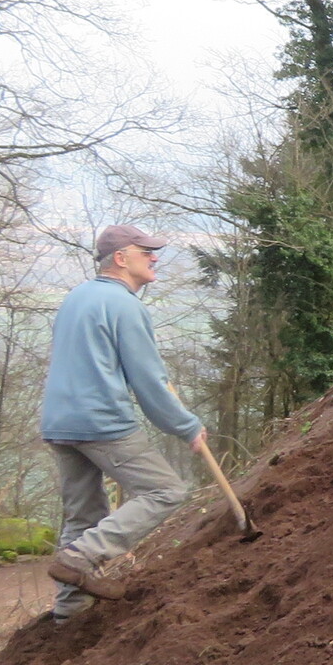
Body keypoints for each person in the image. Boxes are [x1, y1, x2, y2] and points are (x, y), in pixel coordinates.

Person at [37, 224, 206, 619]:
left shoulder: (77, 297)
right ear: (120, 258)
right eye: (145, 251)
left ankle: (69, 615)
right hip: (100, 421)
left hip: (59, 422)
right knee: (166, 490)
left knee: (83, 516)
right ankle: (82, 557)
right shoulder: (125, 305)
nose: (154, 257)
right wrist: (186, 426)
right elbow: (148, 381)